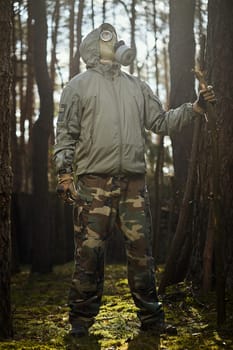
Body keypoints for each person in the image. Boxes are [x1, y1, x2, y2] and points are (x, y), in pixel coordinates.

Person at [53, 23, 216, 338]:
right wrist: (64, 173)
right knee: (89, 254)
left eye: (114, 42)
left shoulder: (137, 86)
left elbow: (160, 121)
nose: (110, 47)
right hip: (93, 185)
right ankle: (80, 324)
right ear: (91, 48)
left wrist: (195, 108)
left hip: (133, 186)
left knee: (142, 254)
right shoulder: (78, 85)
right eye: (104, 42)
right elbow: (66, 133)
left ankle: (152, 322)